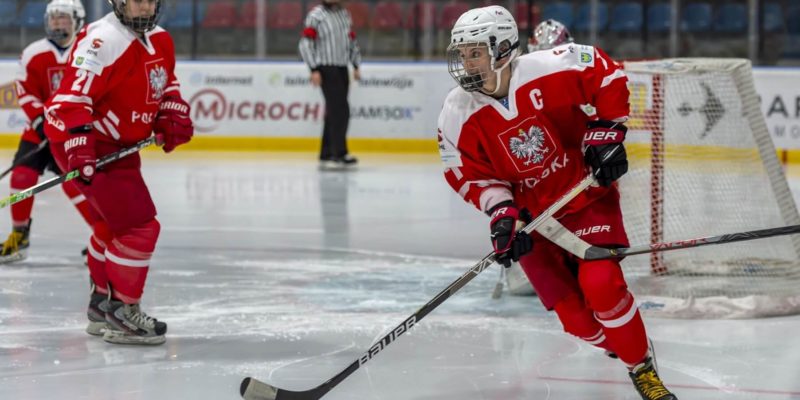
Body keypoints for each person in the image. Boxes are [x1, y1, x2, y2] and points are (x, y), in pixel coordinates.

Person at [438, 6, 677, 400]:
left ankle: (641, 368)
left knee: (603, 287)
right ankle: (627, 345)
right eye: (462, 54)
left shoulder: (547, 67)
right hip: (532, 219)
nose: (467, 62)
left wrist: (607, 131)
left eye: (475, 52)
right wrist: (502, 213)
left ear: (503, 49)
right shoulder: (456, 111)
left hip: (584, 196)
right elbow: (467, 174)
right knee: (577, 322)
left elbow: (605, 72)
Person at [44, 0, 193, 345]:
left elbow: (166, 83)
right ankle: (123, 311)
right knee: (140, 227)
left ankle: (101, 305)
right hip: (88, 144)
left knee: (111, 226)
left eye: (150, 0)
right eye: (136, 0)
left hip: (116, 147)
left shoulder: (161, 39)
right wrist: (79, 144)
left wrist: (170, 112)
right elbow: (72, 97)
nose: (144, 7)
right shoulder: (102, 40)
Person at [1, 0, 100, 264]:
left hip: (72, 133)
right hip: (40, 130)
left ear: (77, 20)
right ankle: (19, 237)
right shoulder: (34, 53)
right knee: (22, 176)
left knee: (75, 184)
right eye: (53, 17)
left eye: (63, 17)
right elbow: (25, 91)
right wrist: (39, 122)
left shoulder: (90, 51)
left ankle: (103, 238)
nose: (57, 22)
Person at [298, 0, 361, 170]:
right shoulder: (316, 16)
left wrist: (356, 64)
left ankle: (326, 152)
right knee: (341, 110)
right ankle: (339, 152)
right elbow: (305, 44)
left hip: (342, 67)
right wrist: (313, 68)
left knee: (334, 110)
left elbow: (351, 41)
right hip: (326, 67)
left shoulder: (344, 14)